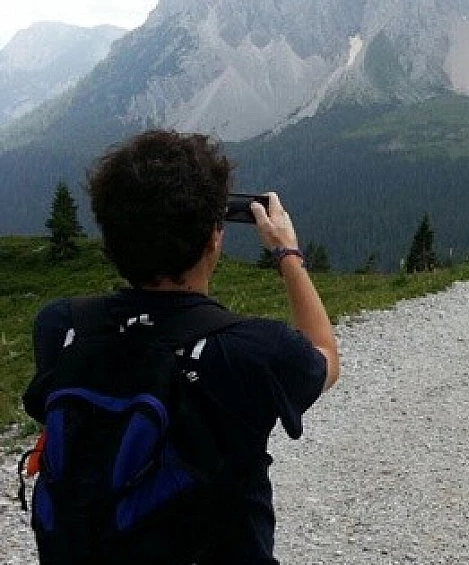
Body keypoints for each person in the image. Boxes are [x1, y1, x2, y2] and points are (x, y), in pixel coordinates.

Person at [23, 130, 340, 564]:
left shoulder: (61, 325)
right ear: (214, 237)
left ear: (111, 239)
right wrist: (287, 253)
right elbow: (325, 357)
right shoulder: (253, 350)